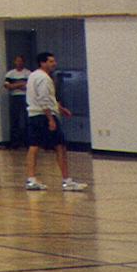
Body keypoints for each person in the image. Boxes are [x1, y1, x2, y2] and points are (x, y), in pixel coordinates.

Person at [24, 52, 87, 192]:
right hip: (43, 116)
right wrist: (50, 119)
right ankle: (66, 180)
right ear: (42, 63)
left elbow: (46, 98)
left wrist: (61, 108)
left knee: (33, 147)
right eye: (51, 61)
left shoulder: (33, 76)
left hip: (34, 115)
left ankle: (31, 179)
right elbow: (43, 99)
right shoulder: (44, 79)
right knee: (60, 147)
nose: (54, 63)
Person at [3, 55, 30, 149]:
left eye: (21, 61)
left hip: (25, 97)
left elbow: (28, 86)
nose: (19, 63)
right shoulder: (10, 74)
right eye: (17, 61)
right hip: (14, 98)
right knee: (15, 120)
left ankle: (27, 142)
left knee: (27, 120)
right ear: (15, 62)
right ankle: (15, 143)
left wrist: (14, 85)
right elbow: (7, 86)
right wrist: (21, 84)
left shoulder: (28, 73)